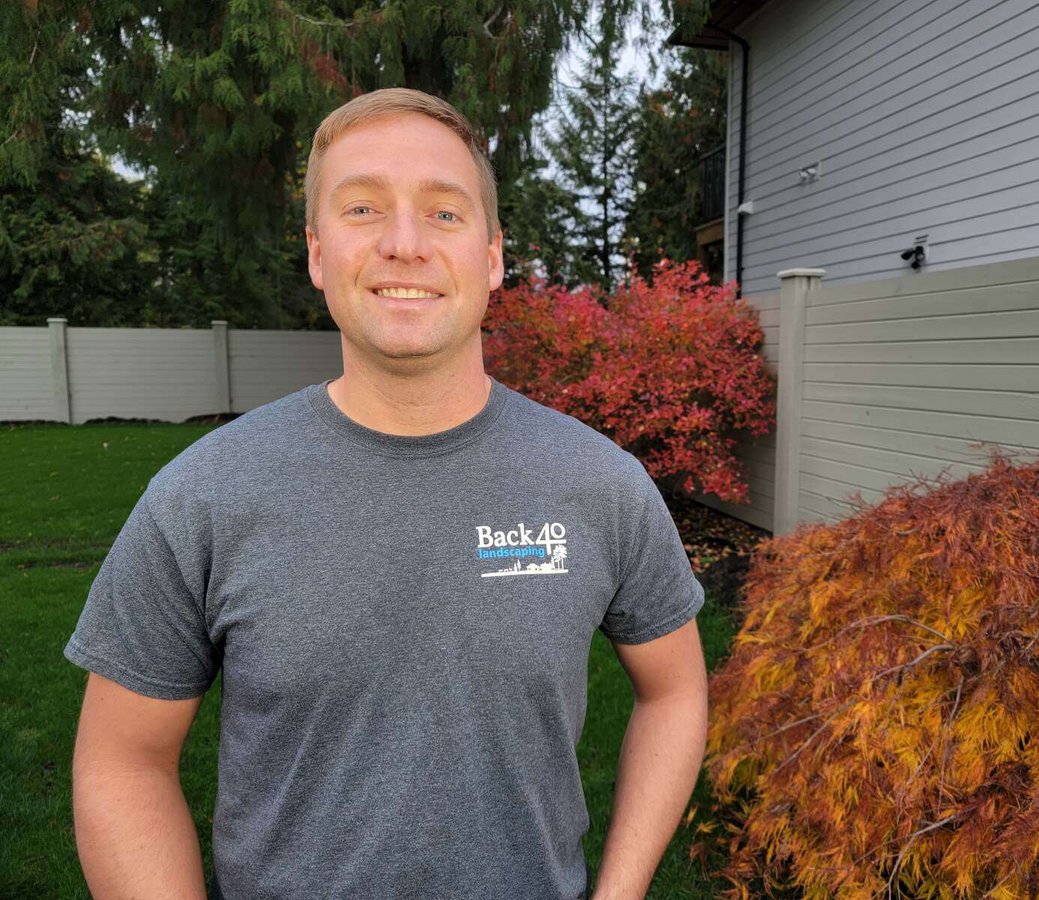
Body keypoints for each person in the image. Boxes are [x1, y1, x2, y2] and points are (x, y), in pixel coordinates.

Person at [65, 87, 709, 900]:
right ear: (316, 253)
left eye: (444, 213)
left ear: (493, 256)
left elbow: (676, 688)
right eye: (363, 207)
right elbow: (125, 762)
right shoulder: (203, 496)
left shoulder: (599, 484)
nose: (404, 244)